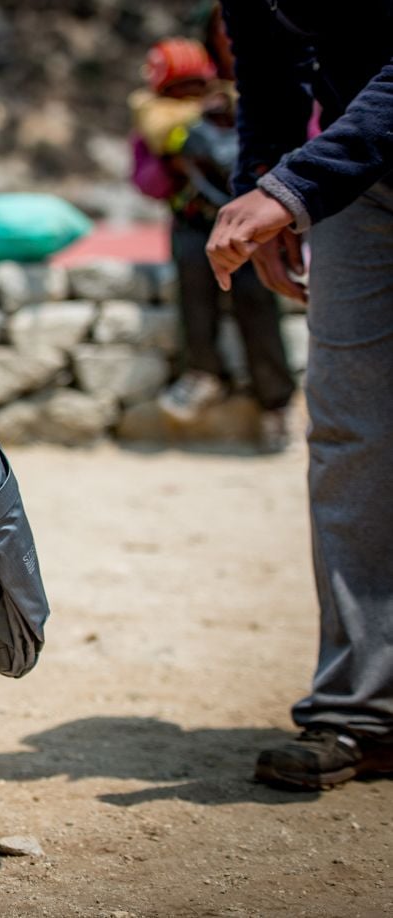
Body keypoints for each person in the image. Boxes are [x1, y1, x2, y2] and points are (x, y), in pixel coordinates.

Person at [205, 0, 393, 789]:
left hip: (344, 162)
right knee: (350, 438)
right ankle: (360, 711)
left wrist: (294, 186)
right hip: (361, 183)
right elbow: (268, 67)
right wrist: (270, 178)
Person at [129, 29, 295, 451]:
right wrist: (176, 163)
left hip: (245, 222)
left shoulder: (235, 109)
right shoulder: (157, 126)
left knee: (257, 301)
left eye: (194, 86)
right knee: (194, 293)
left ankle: (275, 404)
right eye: (178, 89)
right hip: (193, 223)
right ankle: (202, 372)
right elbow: (146, 181)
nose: (188, 96)